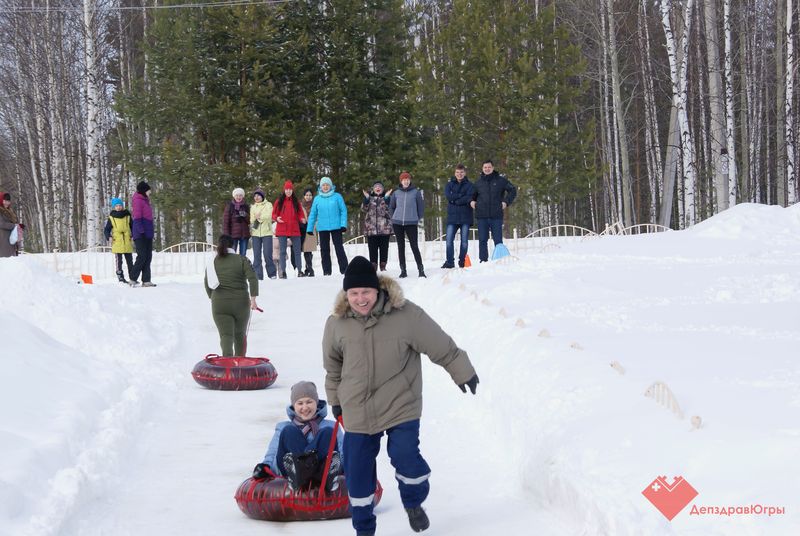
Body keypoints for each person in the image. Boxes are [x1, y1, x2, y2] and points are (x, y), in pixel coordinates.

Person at [322, 256, 479, 536]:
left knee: (406, 457)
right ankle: (364, 529)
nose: (360, 299)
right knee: (358, 474)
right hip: (357, 406)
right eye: (354, 293)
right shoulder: (336, 324)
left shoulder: (405, 314)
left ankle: (414, 502)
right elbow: (332, 367)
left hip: (400, 402)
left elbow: (439, 344)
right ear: (346, 294)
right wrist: (335, 400)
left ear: (378, 290)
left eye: (366, 292)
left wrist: (462, 370)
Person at [252, 381, 344, 492]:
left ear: (317, 402)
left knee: (328, 433)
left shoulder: (331, 426)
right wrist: (265, 467)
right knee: (289, 431)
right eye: (300, 403)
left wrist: (349, 468)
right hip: (292, 470)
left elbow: (343, 452)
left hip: (322, 470)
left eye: (309, 402)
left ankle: (321, 473)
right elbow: (273, 452)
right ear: (294, 406)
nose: (305, 407)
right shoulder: (283, 427)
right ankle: (299, 473)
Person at [204, 234, 259, 356]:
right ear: (233, 245)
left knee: (226, 336)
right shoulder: (241, 259)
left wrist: (213, 298)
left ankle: (227, 365)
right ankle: (240, 365)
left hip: (220, 303)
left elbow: (207, 284)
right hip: (241, 303)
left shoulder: (212, 262)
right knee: (240, 335)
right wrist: (253, 299)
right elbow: (253, 278)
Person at [469, 160, 517, 263]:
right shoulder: (478, 183)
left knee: (498, 240)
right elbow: (472, 196)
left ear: (493, 168)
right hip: (482, 216)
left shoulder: (501, 181)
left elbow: (513, 190)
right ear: (482, 169)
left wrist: (506, 202)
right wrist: (472, 201)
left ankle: (499, 260)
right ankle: (483, 261)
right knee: (482, 240)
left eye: (489, 167)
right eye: (485, 167)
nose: (487, 169)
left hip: (496, 215)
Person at [305, 176, 348, 275]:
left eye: (327, 185)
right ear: (320, 186)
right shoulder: (317, 199)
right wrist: (310, 228)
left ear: (331, 186)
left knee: (339, 248)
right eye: (323, 185)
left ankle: (345, 270)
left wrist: (343, 225)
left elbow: (343, 211)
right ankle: (327, 272)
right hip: (323, 228)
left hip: (336, 227)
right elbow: (313, 214)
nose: (325, 187)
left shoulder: (337, 196)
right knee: (324, 250)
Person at [389, 172, 425, 278]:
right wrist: (393, 217)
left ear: (410, 181)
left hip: (411, 223)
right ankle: (403, 270)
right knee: (401, 246)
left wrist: (417, 218)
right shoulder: (396, 193)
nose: (406, 181)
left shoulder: (416, 192)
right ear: (401, 181)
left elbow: (421, 207)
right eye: (404, 179)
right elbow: (391, 207)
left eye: (408, 179)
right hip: (397, 223)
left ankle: (421, 269)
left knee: (414, 246)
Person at [272, 180, 306, 279]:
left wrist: (302, 218)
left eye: (290, 189)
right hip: (282, 228)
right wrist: (276, 218)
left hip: (294, 228)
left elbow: (300, 213)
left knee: (297, 251)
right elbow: (274, 214)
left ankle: (300, 271)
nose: (288, 191)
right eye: (287, 189)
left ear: (292, 190)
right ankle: (283, 272)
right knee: (282, 251)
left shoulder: (296, 202)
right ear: (284, 190)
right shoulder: (279, 201)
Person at [442, 164, 474, 268]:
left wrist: (455, 199)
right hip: (452, 217)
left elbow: (469, 198)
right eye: (457, 172)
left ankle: (462, 262)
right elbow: (448, 196)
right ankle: (450, 262)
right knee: (448, 241)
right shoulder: (449, 185)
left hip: (465, 216)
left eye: (461, 172)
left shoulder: (470, 185)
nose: (459, 174)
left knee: (464, 242)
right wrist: (461, 196)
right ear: (455, 173)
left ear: (464, 173)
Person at [361, 181, 393, 271]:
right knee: (372, 249)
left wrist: (386, 199)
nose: (378, 188)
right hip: (371, 229)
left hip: (384, 229)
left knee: (384, 249)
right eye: (376, 187)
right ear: (373, 189)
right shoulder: (369, 199)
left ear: (382, 189)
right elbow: (363, 209)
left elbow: (390, 210)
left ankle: (383, 267)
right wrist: (366, 199)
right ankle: (373, 267)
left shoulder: (387, 198)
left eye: (380, 187)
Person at [130, 181, 156, 287]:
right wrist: (141, 231)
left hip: (147, 233)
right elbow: (137, 217)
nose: (150, 192)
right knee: (142, 256)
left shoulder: (145, 200)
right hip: (140, 234)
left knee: (148, 256)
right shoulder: (138, 201)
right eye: (148, 190)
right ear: (143, 190)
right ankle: (132, 278)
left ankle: (146, 280)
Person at [103, 197, 134, 283]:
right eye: (116, 206)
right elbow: (107, 229)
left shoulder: (127, 216)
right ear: (114, 207)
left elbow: (133, 226)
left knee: (130, 261)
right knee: (119, 261)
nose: (118, 207)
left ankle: (132, 277)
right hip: (117, 241)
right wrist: (108, 236)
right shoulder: (112, 217)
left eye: (120, 205)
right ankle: (120, 277)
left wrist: (133, 235)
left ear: (122, 206)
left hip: (127, 240)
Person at [249, 188, 277, 280]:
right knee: (256, 255)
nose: (256, 197)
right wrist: (257, 218)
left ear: (262, 196)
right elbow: (252, 219)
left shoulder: (268, 205)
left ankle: (272, 274)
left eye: (258, 195)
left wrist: (259, 217)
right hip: (255, 234)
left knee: (267, 254)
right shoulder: (253, 207)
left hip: (267, 233)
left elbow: (269, 216)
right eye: (255, 196)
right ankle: (258, 275)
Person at [223, 187, 251, 256]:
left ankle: (242, 266)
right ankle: (233, 266)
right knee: (232, 253)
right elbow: (226, 221)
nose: (238, 197)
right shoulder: (229, 206)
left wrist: (245, 215)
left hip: (244, 234)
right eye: (237, 195)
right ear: (234, 196)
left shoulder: (246, 206)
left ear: (243, 196)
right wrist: (226, 235)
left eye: (240, 195)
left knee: (243, 254)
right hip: (233, 235)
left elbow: (250, 221)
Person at [0, 191, 23, 258]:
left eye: (8, 201)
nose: (7, 203)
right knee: (5, 261)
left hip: (12, 240)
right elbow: (1, 223)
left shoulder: (10, 211)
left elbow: (15, 222)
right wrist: (14, 226)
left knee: (12, 261)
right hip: (3, 240)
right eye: (5, 201)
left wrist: (19, 226)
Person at [300, 188, 317, 277]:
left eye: (310, 195)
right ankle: (308, 269)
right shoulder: (300, 205)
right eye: (306, 195)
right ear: (304, 196)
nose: (308, 197)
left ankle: (310, 269)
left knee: (308, 250)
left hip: (311, 228)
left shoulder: (315, 205)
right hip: (302, 228)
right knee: (305, 250)